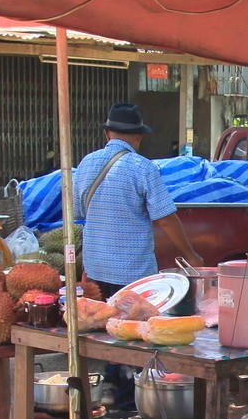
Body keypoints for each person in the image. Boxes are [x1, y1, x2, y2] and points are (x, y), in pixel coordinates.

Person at [73, 102, 201, 297]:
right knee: (131, 325)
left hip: (94, 272)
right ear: (139, 136)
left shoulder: (85, 164)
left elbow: (79, 212)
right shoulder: (143, 167)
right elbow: (165, 219)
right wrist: (191, 255)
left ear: (107, 134)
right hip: (133, 277)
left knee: (98, 324)